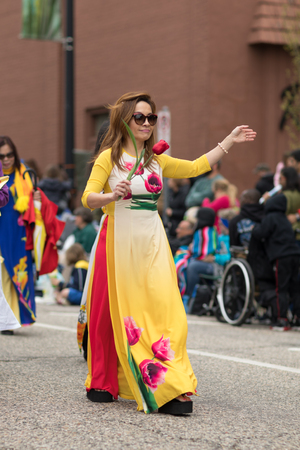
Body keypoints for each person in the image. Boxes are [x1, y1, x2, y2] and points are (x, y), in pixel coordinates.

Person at [81, 91, 256, 414]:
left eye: (152, 118)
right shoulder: (110, 158)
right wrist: (109, 197)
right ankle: (106, 380)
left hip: (153, 242)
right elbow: (88, 197)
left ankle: (171, 384)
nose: (147, 123)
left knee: (167, 312)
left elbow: (194, 167)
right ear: (125, 122)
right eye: (140, 118)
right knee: (115, 314)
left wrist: (229, 140)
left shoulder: (155, 160)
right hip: (119, 242)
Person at [0, 136, 41, 333]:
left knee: (18, 272)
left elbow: (36, 202)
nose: (6, 159)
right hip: (1, 226)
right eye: (1, 156)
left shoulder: (24, 173)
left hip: (18, 231)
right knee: (2, 273)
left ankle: (13, 319)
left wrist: (38, 198)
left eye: (9, 154)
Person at [252, 194, 300, 330]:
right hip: (295, 254)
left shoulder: (270, 218)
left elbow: (260, 233)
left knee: (281, 288)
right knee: (295, 288)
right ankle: (297, 319)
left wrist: (254, 229)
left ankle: (281, 319)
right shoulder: (284, 219)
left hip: (281, 256)